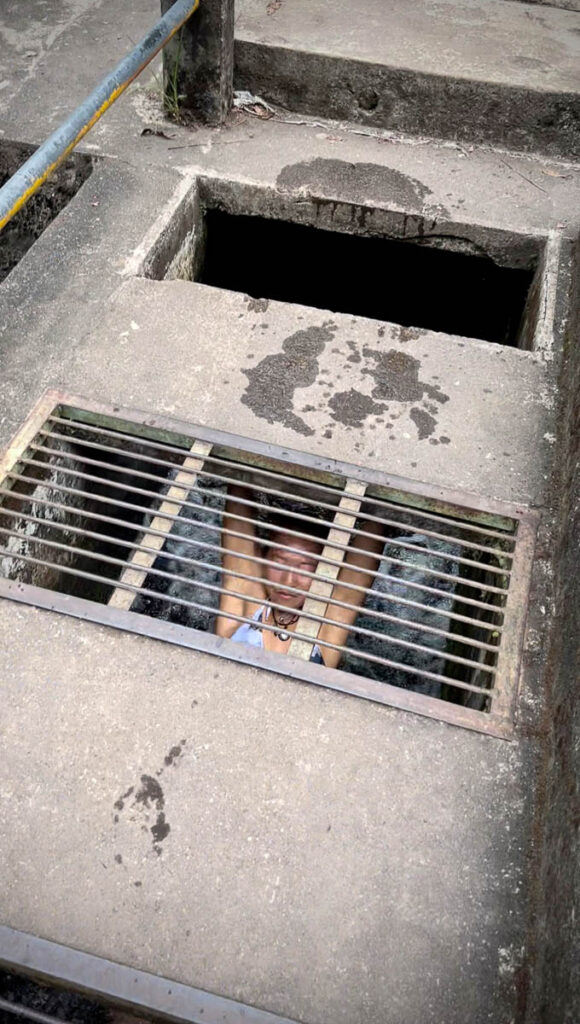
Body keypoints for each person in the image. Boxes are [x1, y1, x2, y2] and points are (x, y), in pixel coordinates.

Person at [215, 484, 386, 668]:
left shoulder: (325, 628)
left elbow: (377, 521)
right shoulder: (246, 604)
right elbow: (238, 489)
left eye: (305, 568)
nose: (289, 581)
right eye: (279, 563)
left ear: (324, 573)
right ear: (263, 560)